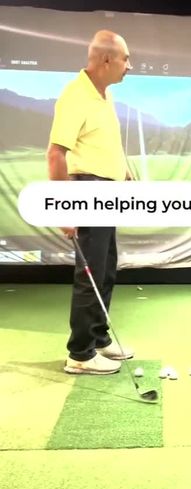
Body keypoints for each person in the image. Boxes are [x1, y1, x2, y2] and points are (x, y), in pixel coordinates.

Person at [47, 30, 134, 374]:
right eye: (126, 59)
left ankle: (98, 337)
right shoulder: (75, 95)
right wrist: (62, 208)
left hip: (106, 190)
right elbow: (56, 154)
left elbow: (105, 142)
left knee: (106, 267)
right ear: (107, 59)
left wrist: (124, 172)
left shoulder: (105, 94)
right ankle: (80, 354)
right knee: (91, 273)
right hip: (88, 189)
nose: (130, 66)